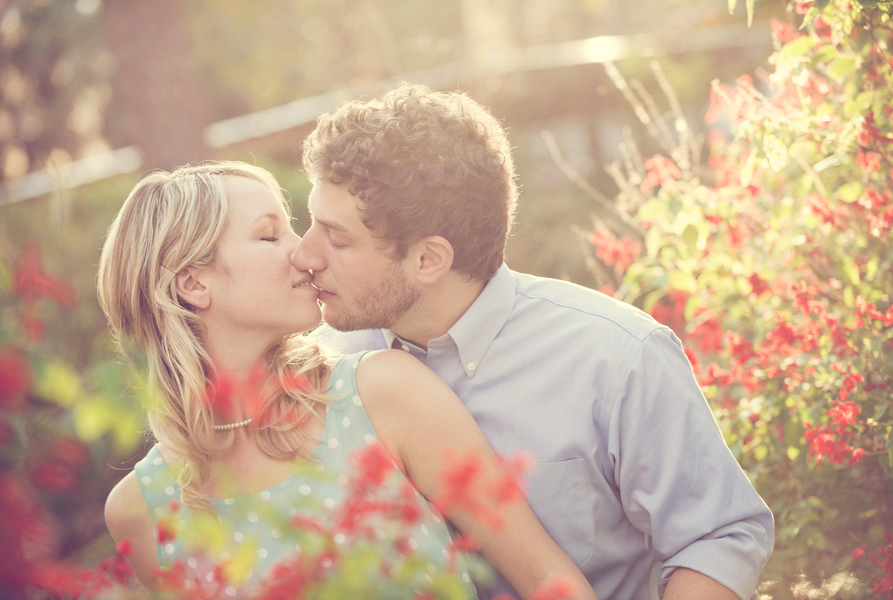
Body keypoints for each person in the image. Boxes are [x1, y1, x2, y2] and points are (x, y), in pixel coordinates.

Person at [294, 83, 775, 600]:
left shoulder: (616, 357)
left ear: (429, 259)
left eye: (336, 238)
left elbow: (719, 536)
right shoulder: (325, 368)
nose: (304, 255)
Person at [97, 162, 597, 600]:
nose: (305, 253)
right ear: (193, 283)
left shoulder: (382, 394)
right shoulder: (138, 511)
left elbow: (549, 580)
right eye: (271, 235)